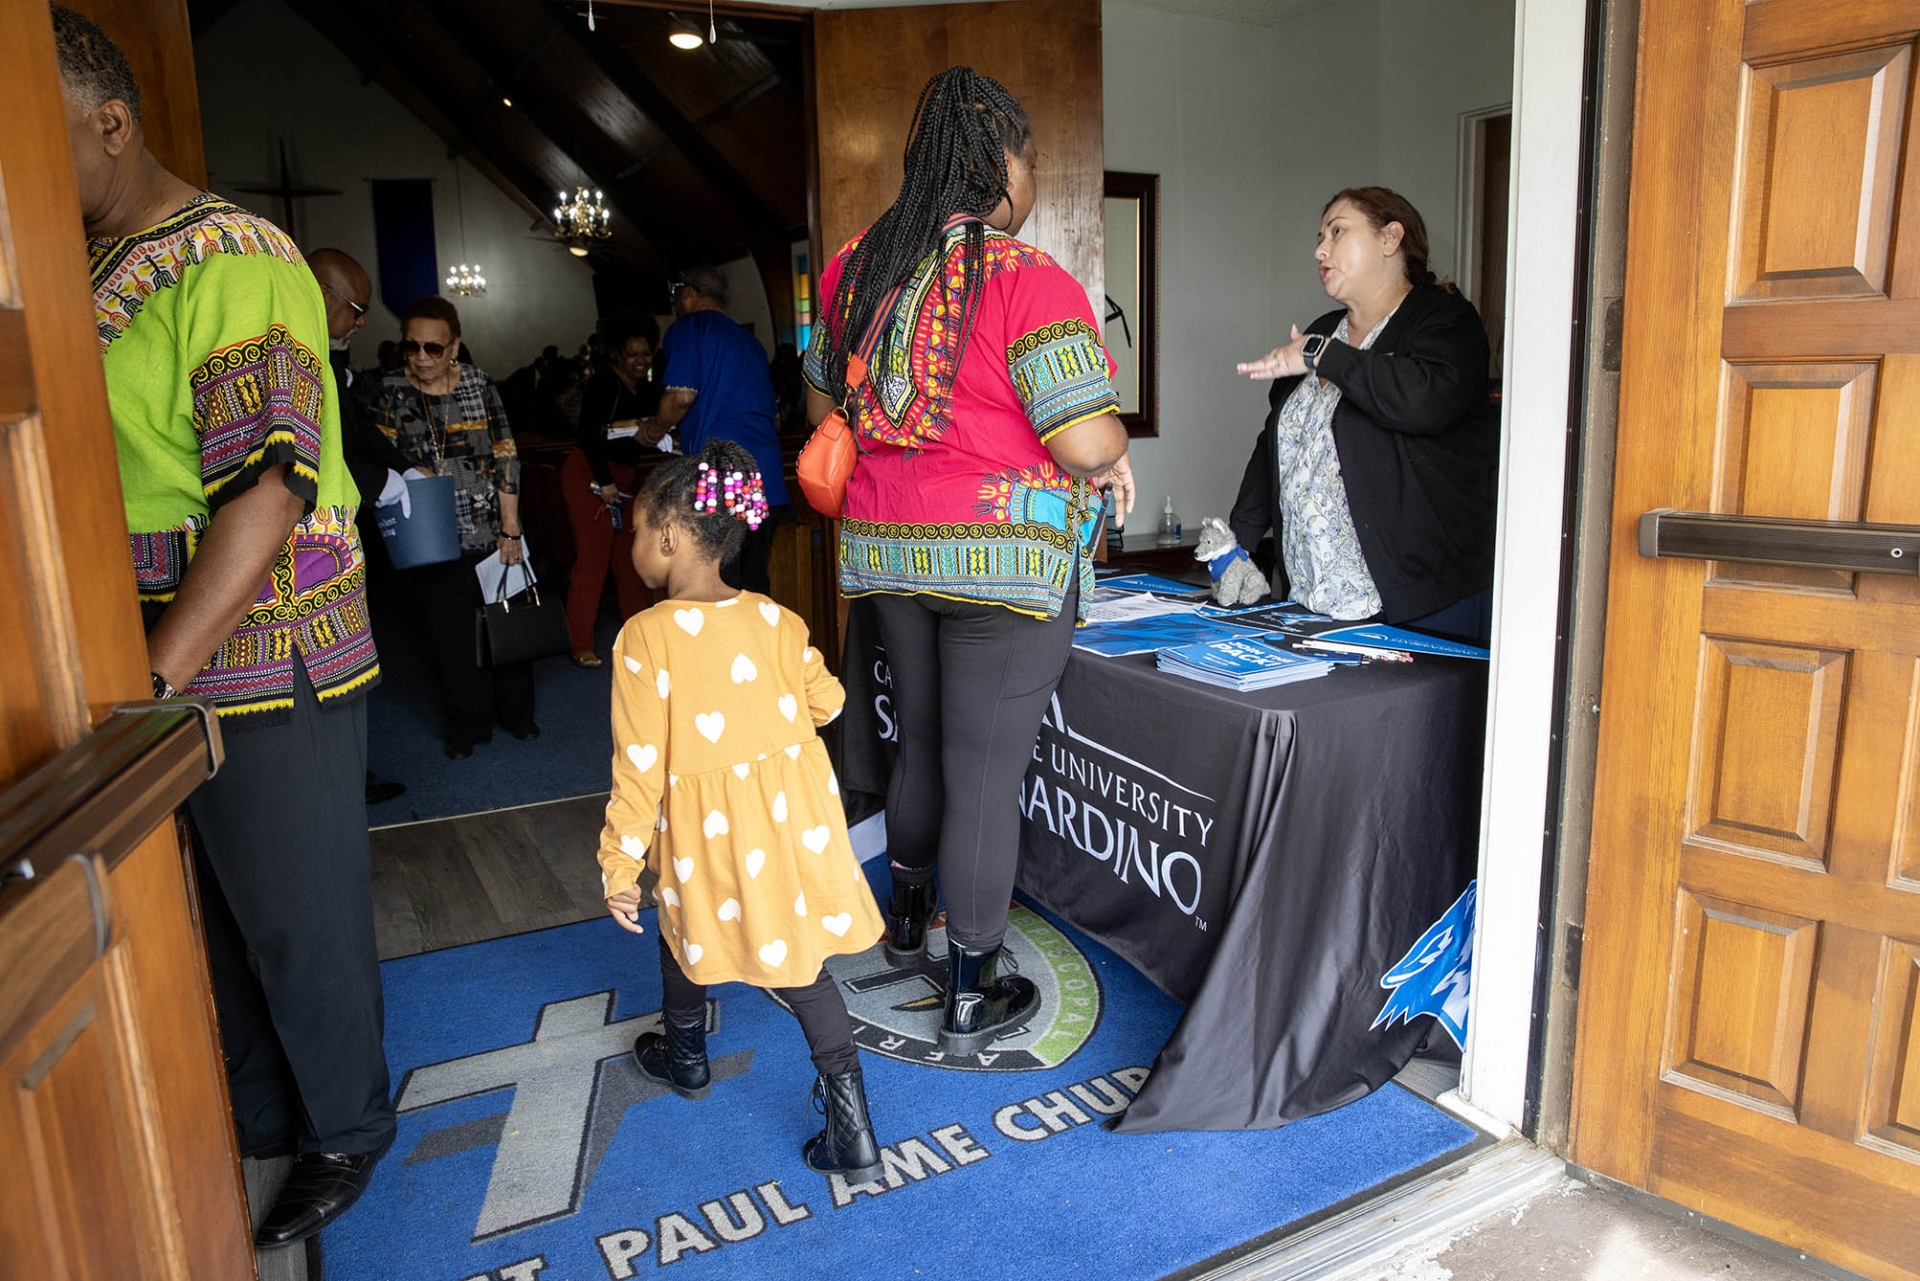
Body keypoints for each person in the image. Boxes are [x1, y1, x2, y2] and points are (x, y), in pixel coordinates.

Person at [55, 6, 393, 1246]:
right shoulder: (80, 267)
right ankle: (260, 1115)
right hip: (147, 649)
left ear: (110, 123)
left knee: (295, 911)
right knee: (211, 912)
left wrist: (154, 671)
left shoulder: (235, 258)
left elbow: (267, 487)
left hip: (259, 644)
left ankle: (348, 1128)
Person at [803, 67, 1134, 1055]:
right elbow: (1083, 442)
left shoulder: (854, 269)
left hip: (887, 554)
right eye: (1030, 157)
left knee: (922, 746)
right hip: (1005, 570)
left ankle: (904, 919)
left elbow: (827, 410)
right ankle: (970, 989)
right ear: (1001, 161)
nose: (1032, 176)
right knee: (984, 772)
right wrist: (1112, 449)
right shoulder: (1029, 279)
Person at [597, 439, 888, 1178]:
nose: (632, 545)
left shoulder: (643, 638)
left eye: (634, 530)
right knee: (798, 964)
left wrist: (619, 864)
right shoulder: (776, 619)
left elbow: (638, 769)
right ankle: (848, 1117)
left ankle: (687, 1055)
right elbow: (830, 701)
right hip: (784, 832)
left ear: (667, 536)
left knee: (678, 913)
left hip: (700, 838)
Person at [1232, 187, 1500, 642]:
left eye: (1337, 232)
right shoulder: (1321, 332)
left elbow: (1420, 400)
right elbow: (1275, 444)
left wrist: (1324, 356)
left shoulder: (1446, 321)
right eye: (1320, 237)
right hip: (1312, 600)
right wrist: (1237, 542)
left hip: (1419, 605)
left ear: (1390, 239)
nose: (1320, 249)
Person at [366, 295, 536, 757]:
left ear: (454, 346)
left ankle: (519, 715)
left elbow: (506, 455)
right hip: (432, 536)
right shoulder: (391, 390)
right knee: (452, 640)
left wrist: (511, 530)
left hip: (492, 528)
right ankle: (467, 726)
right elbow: (377, 459)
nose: (421, 357)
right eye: (412, 347)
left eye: (433, 348)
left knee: (508, 625)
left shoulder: (479, 384)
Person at [309, 246, 412, 807]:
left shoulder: (331, 355)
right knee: (328, 668)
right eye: (355, 307)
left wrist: (400, 468)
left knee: (349, 661)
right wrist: (380, 482)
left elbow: (357, 429)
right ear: (322, 295)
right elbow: (327, 441)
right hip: (309, 541)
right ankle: (344, 783)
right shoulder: (299, 352)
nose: (361, 321)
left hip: (340, 535)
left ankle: (352, 775)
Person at [653, 265, 789, 593]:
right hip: (763, 475)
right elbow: (772, 415)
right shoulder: (750, 341)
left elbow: (681, 396)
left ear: (687, 293)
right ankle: (761, 644)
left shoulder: (689, 328)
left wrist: (655, 429)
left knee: (718, 580)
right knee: (753, 580)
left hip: (721, 478)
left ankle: (724, 645)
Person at [562, 313, 661, 666]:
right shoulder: (603, 383)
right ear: (619, 355)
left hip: (624, 479)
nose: (639, 361)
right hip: (589, 474)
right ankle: (580, 643)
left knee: (632, 558)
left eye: (645, 354)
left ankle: (640, 634)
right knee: (593, 558)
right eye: (632, 354)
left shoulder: (649, 389)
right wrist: (604, 481)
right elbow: (589, 436)